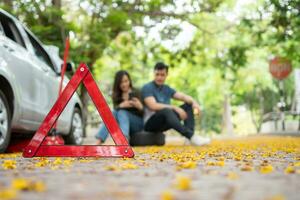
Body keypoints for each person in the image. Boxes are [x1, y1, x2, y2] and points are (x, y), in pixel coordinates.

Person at [141, 62, 211, 146]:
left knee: (187, 105)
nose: (159, 77)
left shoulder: (167, 89)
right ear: (153, 74)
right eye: (157, 74)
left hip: (164, 122)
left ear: (166, 75)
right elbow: (153, 106)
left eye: (162, 75)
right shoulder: (147, 87)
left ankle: (189, 140)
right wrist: (174, 107)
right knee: (166, 110)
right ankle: (192, 136)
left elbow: (183, 96)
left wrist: (194, 103)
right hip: (150, 124)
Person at [95, 70, 144, 144]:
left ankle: (124, 141)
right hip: (123, 125)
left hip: (137, 124)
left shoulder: (137, 92)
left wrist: (140, 106)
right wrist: (121, 105)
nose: (124, 84)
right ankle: (99, 140)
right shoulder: (116, 95)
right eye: (121, 82)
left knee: (122, 112)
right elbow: (115, 114)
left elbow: (145, 113)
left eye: (126, 81)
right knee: (115, 112)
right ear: (118, 84)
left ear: (129, 81)